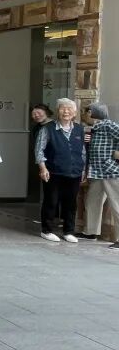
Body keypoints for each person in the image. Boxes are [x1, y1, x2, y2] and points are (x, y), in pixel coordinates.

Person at [35, 97, 85, 243]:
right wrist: (43, 168)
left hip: (74, 171)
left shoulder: (79, 129)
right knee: (51, 201)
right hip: (53, 171)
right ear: (58, 111)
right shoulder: (48, 128)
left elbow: (82, 151)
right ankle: (47, 230)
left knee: (71, 203)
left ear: (74, 113)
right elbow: (39, 150)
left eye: (69, 109)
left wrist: (83, 170)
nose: (66, 111)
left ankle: (68, 231)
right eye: (63, 108)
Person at [82, 103, 119, 244]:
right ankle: (91, 232)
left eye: (85, 112)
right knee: (92, 202)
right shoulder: (94, 129)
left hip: (111, 171)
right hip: (96, 172)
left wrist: (116, 155)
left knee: (117, 204)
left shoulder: (109, 125)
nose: (83, 116)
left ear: (91, 113)